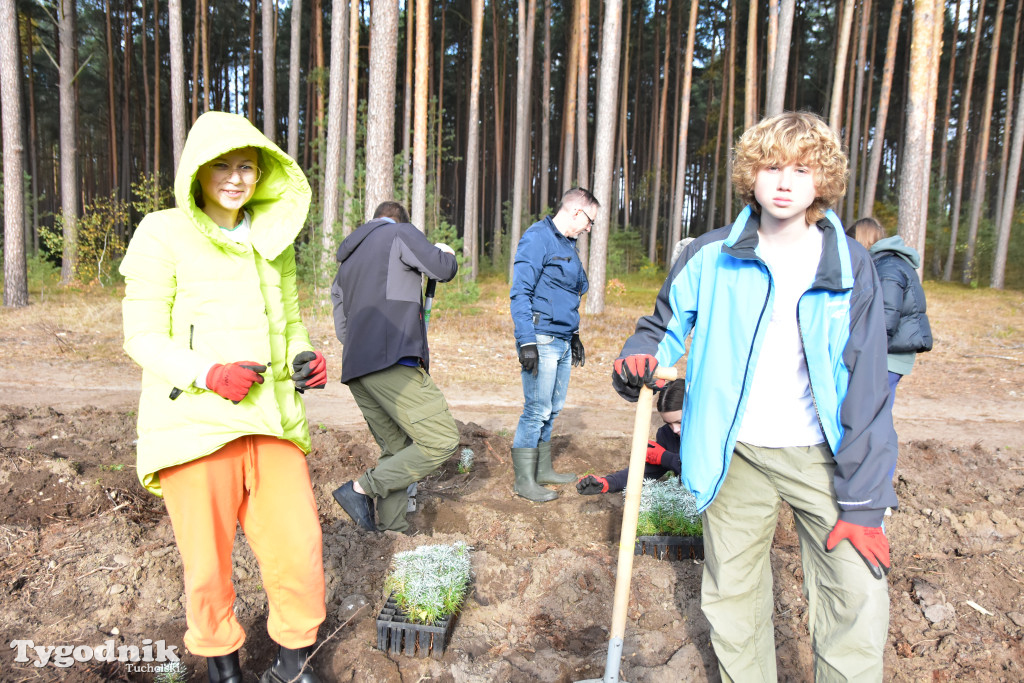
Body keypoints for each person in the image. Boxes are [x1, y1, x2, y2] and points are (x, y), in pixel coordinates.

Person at [612, 112, 898, 681]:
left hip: (822, 454)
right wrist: (636, 360)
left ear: (824, 180)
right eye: (771, 166)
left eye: (801, 168)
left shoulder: (848, 264)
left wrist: (865, 501)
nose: (785, 181)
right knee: (734, 599)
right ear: (751, 174)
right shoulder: (712, 254)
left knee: (857, 595)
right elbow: (661, 325)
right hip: (734, 455)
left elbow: (867, 384)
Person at [120, 111, 327, 683]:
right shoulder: (161, 232)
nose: (236, 179)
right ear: (198, 170)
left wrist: (302, 359)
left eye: (247, 168)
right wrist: (207, 373)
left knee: (298, 547)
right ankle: (223, 670)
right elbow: (142, 335)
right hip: (195, 424)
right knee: (207, 561)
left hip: (271, 420)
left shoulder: (271, 238)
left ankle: (291, 665)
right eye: (223, 166)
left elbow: (288, 322)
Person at [329, 201, 460, 533]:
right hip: (393, 363)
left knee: (396, 449)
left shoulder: (345, 265)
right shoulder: (399, 233)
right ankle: (361, 489)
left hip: (358, 370)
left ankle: (393, 531)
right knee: (441, 438)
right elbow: (442, 269)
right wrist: (446, 252)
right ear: (400, 221)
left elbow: (343, 330)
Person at [509, 187, 596, 502]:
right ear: (576, 211)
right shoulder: (538, 238)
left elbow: (569, 292)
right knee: (536, 409)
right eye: (589, 221)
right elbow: (520, 291)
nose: (589, 228)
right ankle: (524, 481)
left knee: (553, 408)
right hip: (541, 337)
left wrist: (574, 335)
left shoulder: (568, 245)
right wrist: (526, 341)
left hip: (561, 338)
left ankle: (542, 469)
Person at [852, 217, 933, 411]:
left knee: (873, 414)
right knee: (876, 412)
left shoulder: (887, 267)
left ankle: (878, 442)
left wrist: (869, 356)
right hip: (889, 353)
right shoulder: (887, 263)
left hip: (887, 356)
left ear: (859, 242)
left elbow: (886, 318)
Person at [577, 379, 685, 495]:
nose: (675, 429)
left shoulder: (706, 434)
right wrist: (607, 483)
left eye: (679, 422)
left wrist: (666, 458)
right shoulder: (666, 435)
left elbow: (700, 474)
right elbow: (645, 473)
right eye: (668, 423)